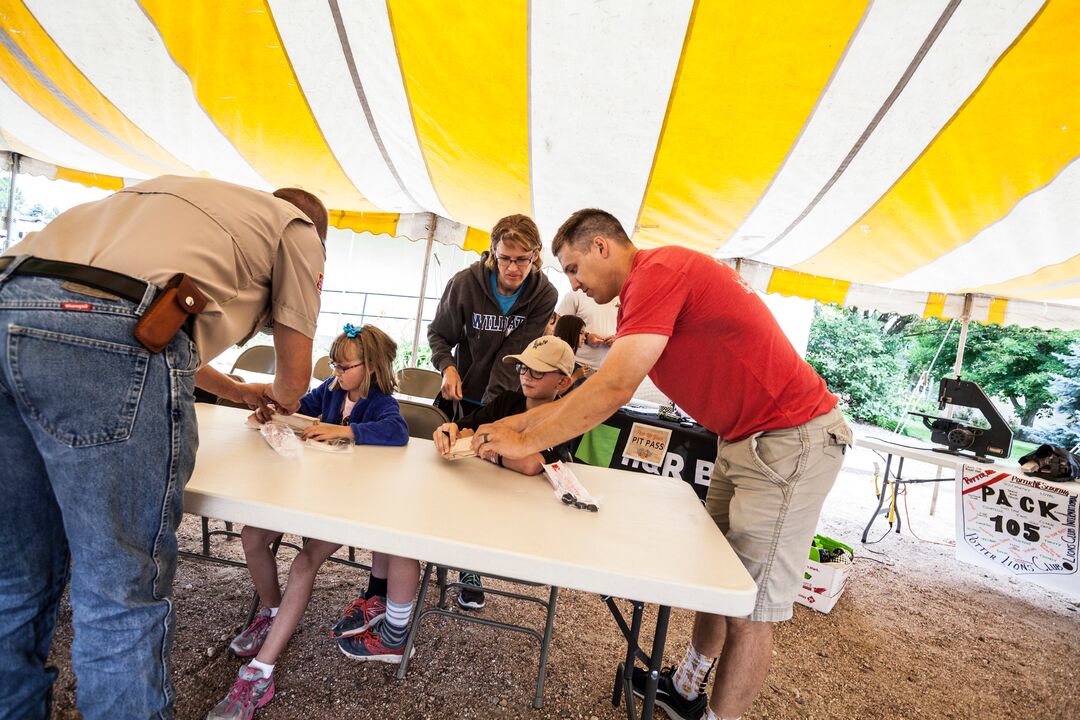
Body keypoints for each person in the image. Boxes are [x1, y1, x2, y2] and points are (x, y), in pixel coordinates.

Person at [473, 209, 852, 720]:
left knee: (751, 609)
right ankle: (688, 685)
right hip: (744, 438)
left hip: (789, 437)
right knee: (720, 579)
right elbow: (593, 385)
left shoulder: (657, 273)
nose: (575, 286)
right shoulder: (648, 285)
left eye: (574, 268)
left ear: (602, 247)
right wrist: (519, 429)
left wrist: (524, 441)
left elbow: (614, 387)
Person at [0, 175, 327, 719]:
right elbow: (293, 379)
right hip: (103, 334)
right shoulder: (297, 228)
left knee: (13, 578)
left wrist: (238, 391)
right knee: (119, 593)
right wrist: (278, 396)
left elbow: (143, 315)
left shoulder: (174, 196)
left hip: (9, 302)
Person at [207, 324, 407, 720]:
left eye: (345, 366)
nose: (337, 372)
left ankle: (260, 672)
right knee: (251, 536)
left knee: (303, 563)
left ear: (371, 366)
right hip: (307, 494)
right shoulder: (332, 390)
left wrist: (345, 429)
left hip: (345, 505)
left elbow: (397, 432)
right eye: (333, 364)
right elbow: (300, 405)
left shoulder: (383, 403)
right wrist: (278, 409)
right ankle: (272, 612)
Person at [426, 214, 557, 607]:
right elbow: (439, 335)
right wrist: (447, 366)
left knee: (483, 484)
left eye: (523, 259)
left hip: (502, 403)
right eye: (505, 259)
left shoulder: (544, 294)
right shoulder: (465, 284)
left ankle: (469, 565)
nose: (513, 268)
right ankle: (432, 542)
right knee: (449, 472)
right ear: (491, 254)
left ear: (536, 256)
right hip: (458, 393)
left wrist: (487, 420)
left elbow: (512, 357)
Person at [556, 287, 618, 371]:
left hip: (605, 370)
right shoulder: (577, 293)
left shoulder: (625, 298)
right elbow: (559, 325)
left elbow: (628, 330)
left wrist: (618, 339)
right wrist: (586, 336)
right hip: (575, 364)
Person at [552, 314, 588, 385]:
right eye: (581, 333)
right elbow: (557, 390)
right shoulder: (563, 355)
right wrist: (576, 376)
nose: (584, 338)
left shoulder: (560, 350)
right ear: (570, 332)